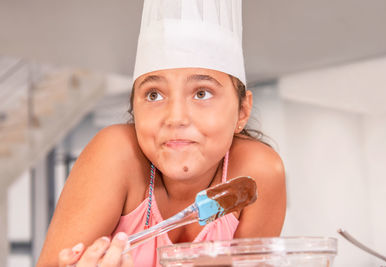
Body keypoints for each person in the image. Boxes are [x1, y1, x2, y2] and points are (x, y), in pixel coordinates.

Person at [37, 1, 286, 266]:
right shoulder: (116, 155)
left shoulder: (258, 173)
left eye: (202, 93)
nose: (176, 118)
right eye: (154, 95)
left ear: (242, 111)